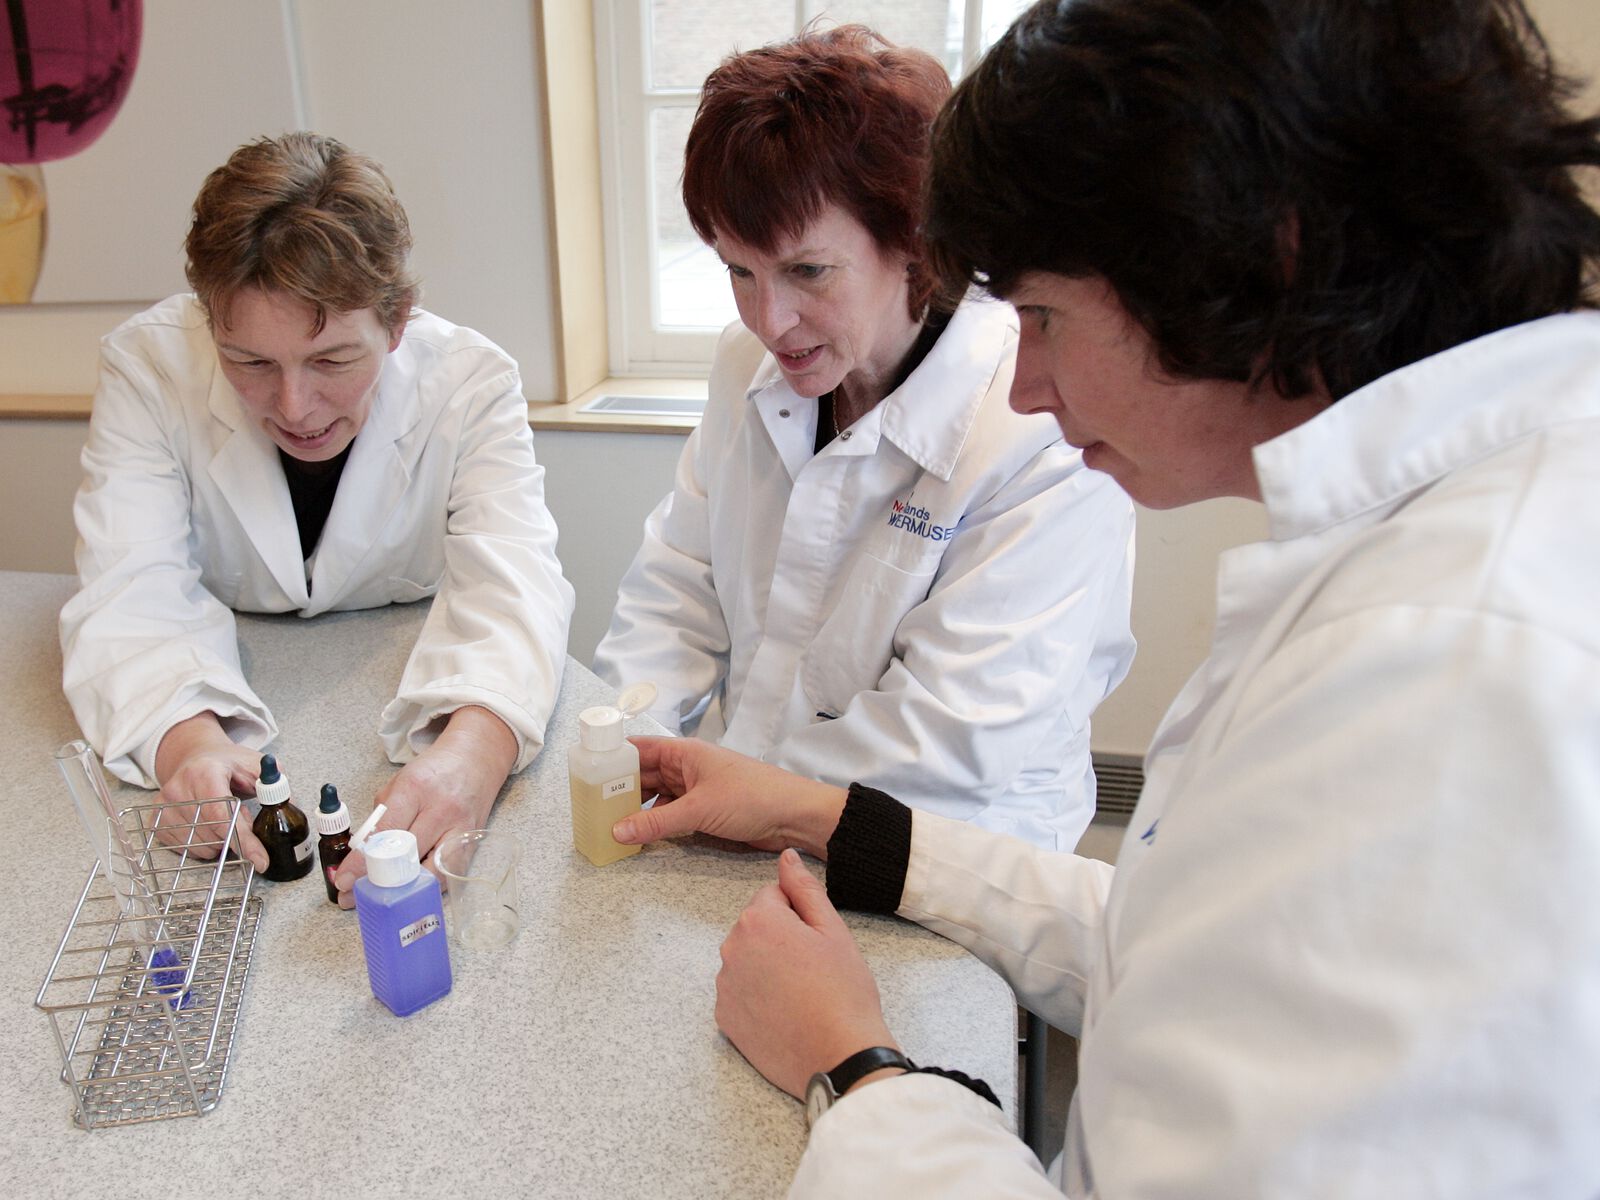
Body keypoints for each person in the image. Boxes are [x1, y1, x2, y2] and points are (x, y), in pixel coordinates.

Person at [610, 0, 1600, 1193]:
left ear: (1249, 254)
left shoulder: (1455, 660)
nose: (1023, 382)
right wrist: (823, 816)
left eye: (1039, 315)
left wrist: (855, 1068)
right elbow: (1179, 947)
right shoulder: (1441, 548)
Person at [593, 26, 1135, 850]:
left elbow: (949, 734)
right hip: (745, 803)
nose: (769, 319)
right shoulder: (745, 367)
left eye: (808, 271)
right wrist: (630, 742)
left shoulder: (1035, 429)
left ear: (914, 242)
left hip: (941, 844)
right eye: (739, 270)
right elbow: (679, 587)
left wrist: (741, 790)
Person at [59, 133, 574, 900]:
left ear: (397, 322)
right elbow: (128, 582)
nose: (295, 408)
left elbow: (514, 580)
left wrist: (473, 754)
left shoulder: (471, 383)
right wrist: (187, 745)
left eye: (332, 360)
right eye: (250, 362)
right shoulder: (147, 367)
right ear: (209, 321)